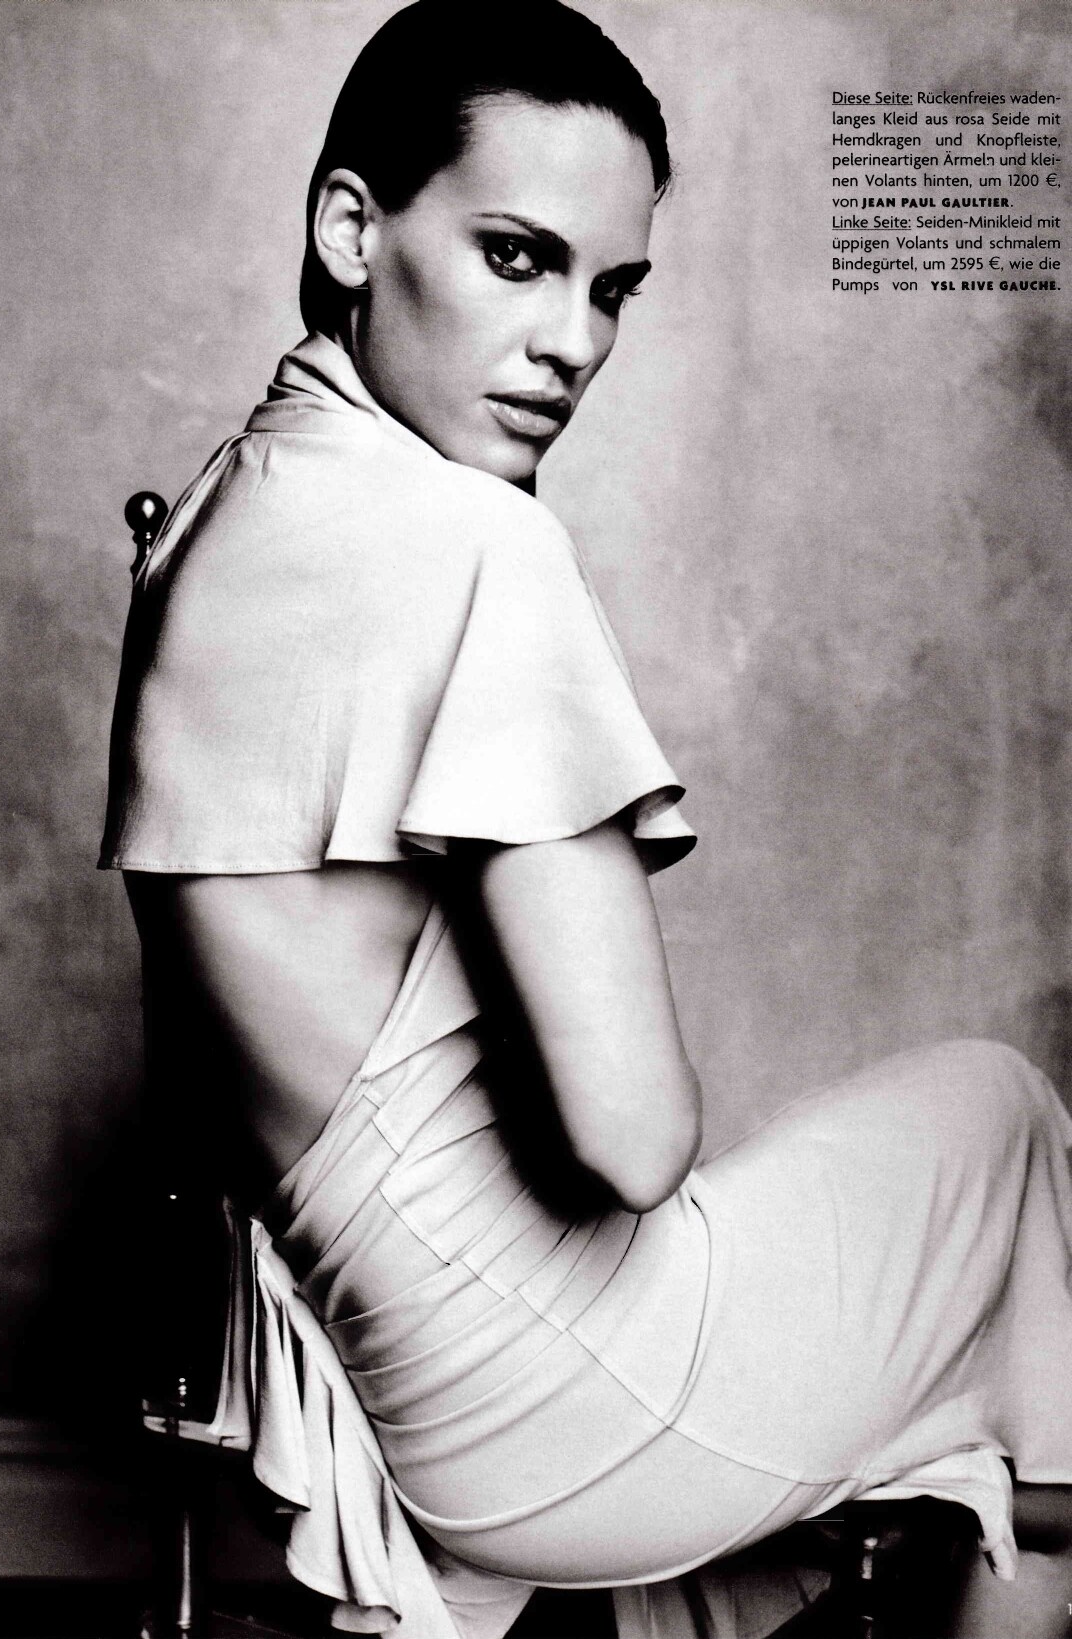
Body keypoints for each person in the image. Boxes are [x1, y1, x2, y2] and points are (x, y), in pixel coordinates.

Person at [99, 3, 1072, 1634]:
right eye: (517, 258)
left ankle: (995, 1533)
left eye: (612, 289)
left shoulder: (214, 516)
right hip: (564, 1407)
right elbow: (631, 1144)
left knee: (974, 1309)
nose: (573, 342)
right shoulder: (476, 547)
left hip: (383, 1380)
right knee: (1007, 1117)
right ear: (352, 229)